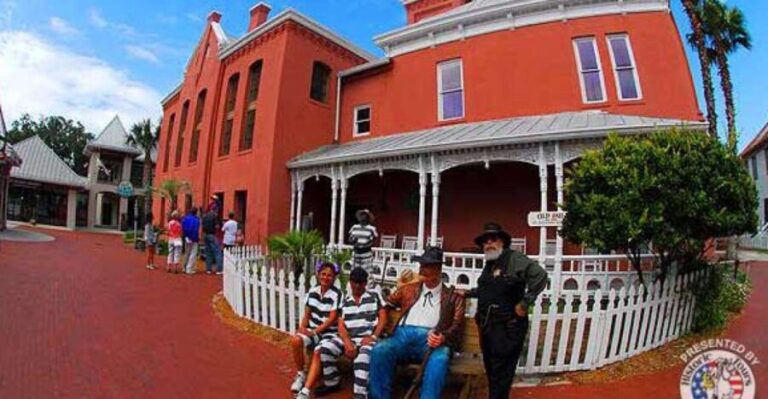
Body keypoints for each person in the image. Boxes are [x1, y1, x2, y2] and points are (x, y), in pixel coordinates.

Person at [368, 246, 465, 399]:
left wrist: (443, 337)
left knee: (440, 358)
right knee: (381, 349)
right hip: (402, 337)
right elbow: (385, 304)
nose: (422, 269)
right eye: (422, 265)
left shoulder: (453, 297)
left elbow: (457, 327)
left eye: (428, 266)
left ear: (439, 269)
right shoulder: (407, 289)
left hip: (430, 342)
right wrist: (381, 323)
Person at [466, 223, 547, 399]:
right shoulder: (490, 263)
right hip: (488, 326)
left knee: (501, 372)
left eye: (493, 239)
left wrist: (525, 303)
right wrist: (466, 293)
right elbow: (488, 290)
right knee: (493, 370)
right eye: (485, 241)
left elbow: (540, 276)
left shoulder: (514, 259)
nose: (489, 243)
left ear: (503, 242)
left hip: (507, 327)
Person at [297, 267, 386, 399]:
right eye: (354, 282)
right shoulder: (345, 301)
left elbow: (383, 318)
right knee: (323, 349)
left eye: (360, 282)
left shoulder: (374, 296)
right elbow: (341, 325)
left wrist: (374, 336)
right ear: (350, 282)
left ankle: (360, 394)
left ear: (365, 283)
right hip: (348, 338)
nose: (357, 285)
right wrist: (347, 342)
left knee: (362, 359)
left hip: (366, 339)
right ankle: (332, 382)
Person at [290, 262, 343, 395]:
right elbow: (306, 314)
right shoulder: (312, 291)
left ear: (334, 278)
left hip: (329, 333)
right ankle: (301, 374)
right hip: (312, 330)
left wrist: (313, 332)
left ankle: (306, 391)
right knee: (296, 340)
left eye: (329, 275)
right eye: (323, 274)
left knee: (318, 351)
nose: (326, 278)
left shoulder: (337, 294)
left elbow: (331, 320)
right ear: (318, 275)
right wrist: (302, 327)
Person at [348, 209, 378, 275]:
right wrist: (353, 241)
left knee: (367, 273)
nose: (363, 217)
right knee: (354, 272)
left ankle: (368, 285)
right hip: (356, 253)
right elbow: (349, 239)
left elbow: (375, 241)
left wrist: (365, 245)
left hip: (366, 254)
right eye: (362, 215)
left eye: (365, 215)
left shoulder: (371, 229)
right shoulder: (354, 227)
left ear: (368, 218)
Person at [201, 208, 222, 275]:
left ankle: (208, 269)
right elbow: (217, 226)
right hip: (212, 235)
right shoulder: (215, 217)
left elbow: (202, 225)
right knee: (218, 252)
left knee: (208, 252)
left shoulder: (205, 216)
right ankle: (219, 269)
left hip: (205, 235)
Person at [181, 207, 201, 275]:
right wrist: (195, 238)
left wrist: (185, 236)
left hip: (186, 237)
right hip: (193, 238)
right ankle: (189, 268)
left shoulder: (185, 218)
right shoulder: (197, 220)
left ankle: (184, 267)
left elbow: (183, 227)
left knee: (187, 252)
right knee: (193, 253)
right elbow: (196, 229)